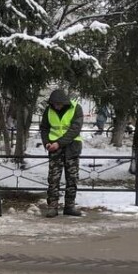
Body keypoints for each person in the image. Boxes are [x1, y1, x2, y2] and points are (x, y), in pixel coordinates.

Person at [40, 88, 84, 217]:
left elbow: (74, 130)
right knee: (53, 179)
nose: (56, 107)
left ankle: (69, 206)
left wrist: (58, 143)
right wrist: (46, 142)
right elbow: (44, 128)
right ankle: (52, 207)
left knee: (72, 179)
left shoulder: (76, 108)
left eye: (58, 104)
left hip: (72, 147)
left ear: (64, 102)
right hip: (54, 148)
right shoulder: (49, 110)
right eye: (54, 104)